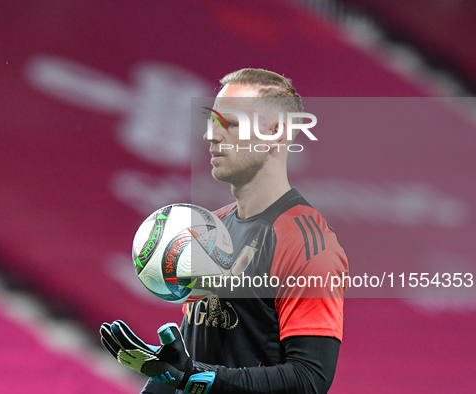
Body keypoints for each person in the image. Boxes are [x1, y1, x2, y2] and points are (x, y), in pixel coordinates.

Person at [101, 68, 349, 394]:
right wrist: (167, 372)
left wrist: (194, 375)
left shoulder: (306, 242)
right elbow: (190, 360)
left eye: (229, 124)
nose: (210, 135)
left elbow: (309, 380)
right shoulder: (208, 230)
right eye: (211, 122)